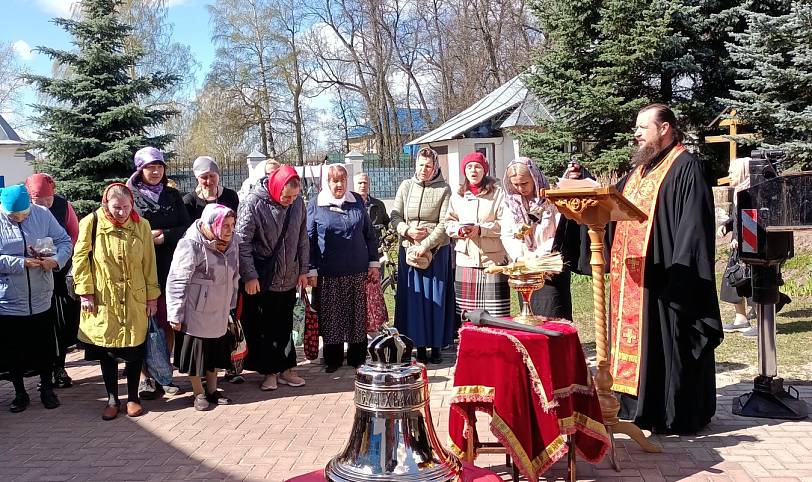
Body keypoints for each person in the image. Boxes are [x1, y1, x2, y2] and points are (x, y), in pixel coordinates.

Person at [610, 104, 723, 434]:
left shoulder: (685, 165)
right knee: (644, 344)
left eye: (643, 127)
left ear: (665, 129)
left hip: (667, 275)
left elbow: (693, 223)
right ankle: (638, 407)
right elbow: (609, 202)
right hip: (635, 278)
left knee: (669, 343)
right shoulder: (639, 171)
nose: (636, 133)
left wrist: (680, 270)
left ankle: (672, 414)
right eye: (636, 127)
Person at [72, 183, 160, 420]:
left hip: (135, 296)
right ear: (106, 204)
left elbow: (149, 264)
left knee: (134, 349)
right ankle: (112, 398)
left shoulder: (141, 226)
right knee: (107, 350)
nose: (121, 212)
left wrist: (152, 297)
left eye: (125, 207)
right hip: (104, 297)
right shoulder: (91, 223)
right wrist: (85, 292)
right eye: (116, 207)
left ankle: (133, 397)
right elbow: (80, 259)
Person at [0, 184, 72, 412]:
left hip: (42, 295)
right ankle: (20, 393)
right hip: (10, 300)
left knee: (45, 346)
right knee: (14, 350)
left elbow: (64, 241)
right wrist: (21, 263)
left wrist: (56, 260)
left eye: (23, 214)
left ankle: (47, 389)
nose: (19, 218)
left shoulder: (41, 213)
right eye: (13, 216)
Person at [236, 165, 309, 391]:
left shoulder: (297, 204)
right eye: (286, 196)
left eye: (295, 196)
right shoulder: (253, 203)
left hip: (289, 275)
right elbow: (242, 242)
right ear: (276, 187)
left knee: (286, 325)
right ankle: (269, 372)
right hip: (263, 277)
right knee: (265, 326)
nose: (290, 200)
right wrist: (249, 275)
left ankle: (287, 368)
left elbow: (303, 238)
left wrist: (304, 270)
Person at [127, 146, 191, 399]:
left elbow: (187, 227)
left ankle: (165, 375)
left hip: (169, 266)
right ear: (139, 169)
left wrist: (164, 237)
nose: (155, 172)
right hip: (139, 268)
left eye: (159, 167)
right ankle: (145, 378)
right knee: (142, 323)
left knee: (166, 322)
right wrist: (145, 238)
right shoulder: (129, 195)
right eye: (149, 167)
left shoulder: (173, 195)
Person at [307, 165, 380, 373]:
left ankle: (357, 357)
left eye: (343, 180)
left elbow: (369, 234)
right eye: (334, 181)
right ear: (327, 183)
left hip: (357, 270)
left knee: (357, 316)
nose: (339, 185)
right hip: (329, 272)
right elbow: (310, 240)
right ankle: (333, 358)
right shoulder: (316, 205)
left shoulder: (356, 201)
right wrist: (311, 269)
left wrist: (373, 262)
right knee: (332, 317)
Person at [166, 204, 239, 411]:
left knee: (215, 352)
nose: (229, 229)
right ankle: (198, 393)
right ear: (212, 223)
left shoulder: (232, 241)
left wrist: (231, 303)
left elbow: (235, 274)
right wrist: (176, 313)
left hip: (219, 308)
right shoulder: (190, 244)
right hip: (196, 309)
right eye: (224, 225)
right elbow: (178, 280)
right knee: (197, 355)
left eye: (232, 224)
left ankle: (213, 390)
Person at [390, 147, 455, 364]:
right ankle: (416, 345)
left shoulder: (444, 189)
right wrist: (407, 231)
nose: (423, 170)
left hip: (435, 253)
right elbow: (395, 216)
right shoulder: (406, 186)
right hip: (409, 251)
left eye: (428, 166)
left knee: (434, 297)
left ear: (435, 167)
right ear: (415, 165)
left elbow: (445, 222)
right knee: (413, 299)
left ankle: (436, 345)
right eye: (420, 165)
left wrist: (425, 244)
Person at [500, 158, 585, 319]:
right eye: (515, 184)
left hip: (549, 266)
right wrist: (521, 257)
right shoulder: (510, 204)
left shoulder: (551, 200)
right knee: (530, 316)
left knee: (554, 315)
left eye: (524, 183)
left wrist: (539, 256)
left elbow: (558, 232)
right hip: (525, 268)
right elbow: (507, 234)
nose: (520, 188)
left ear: (534, 178)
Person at [25, 173, 80, 389]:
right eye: (39, 202)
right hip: (34, 274)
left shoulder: (64, 206)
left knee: (62, 323)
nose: (45, 206)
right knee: (42, 324)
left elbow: (74, 234)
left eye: (48, 200)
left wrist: (59, 257)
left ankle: (59, 367)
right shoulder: (23, 210)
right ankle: (43, 369)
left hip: (58, 272)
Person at [446, 152, 510, 321]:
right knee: (468, 316)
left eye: (477, 167)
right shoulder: (457, 196)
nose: (473, 170)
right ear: (464, 171)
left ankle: (497, 347)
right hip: (466, 261)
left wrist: (481, 229)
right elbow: (448, 223)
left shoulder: (498, 194)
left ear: (484, 170)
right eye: (469, 167)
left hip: (493, 261)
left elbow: (505, 224)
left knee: (496, 316)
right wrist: (460, 231)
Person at [183, 156, 240, 220]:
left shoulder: (230, 195)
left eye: (212, 176)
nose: (209, 181)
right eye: (204, 177)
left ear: (218, 176)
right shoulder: (190, 200)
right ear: (197, 178)